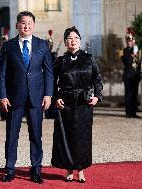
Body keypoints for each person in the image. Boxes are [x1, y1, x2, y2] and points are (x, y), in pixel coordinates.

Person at [0, 11, 54, 184]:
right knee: (12, 135)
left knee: (36, 135)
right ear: (17, 25)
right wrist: (2, 95)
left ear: (33, 25)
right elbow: (1, 75)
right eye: (23, 23)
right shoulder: (8, 46)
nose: (26, 26)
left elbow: (49, 73)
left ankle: (36, 169)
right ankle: (9, 169)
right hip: (14, 98)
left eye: (29, 23)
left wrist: (48, 94)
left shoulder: (42, 45)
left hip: (36, 98)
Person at [51, 26, 103, 183]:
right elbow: (51, 81)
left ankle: (80, 170)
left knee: (82, 137)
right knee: (67, 136)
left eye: (76, 38)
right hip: (65, 103)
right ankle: (68, 169)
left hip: (83, 103)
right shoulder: (61, 61)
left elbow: (97, 79)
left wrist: (98, 96)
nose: (73, 41)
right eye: (69, 38)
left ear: (80, 41)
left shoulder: (89, 59)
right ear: (66, 42)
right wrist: (55, 97)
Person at [121, 33, 141, 118]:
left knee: (134, 94)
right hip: (128, 76)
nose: (131, 42)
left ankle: (133, 112)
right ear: (127, 42)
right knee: (129, 94)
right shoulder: (124, 51)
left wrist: (139, 73)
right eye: (129, 41)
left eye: (132, 41)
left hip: (135, 75)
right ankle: (128, 113)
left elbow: (138, 63)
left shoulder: (136, 50)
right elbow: (128, 62)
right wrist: (133, 55)